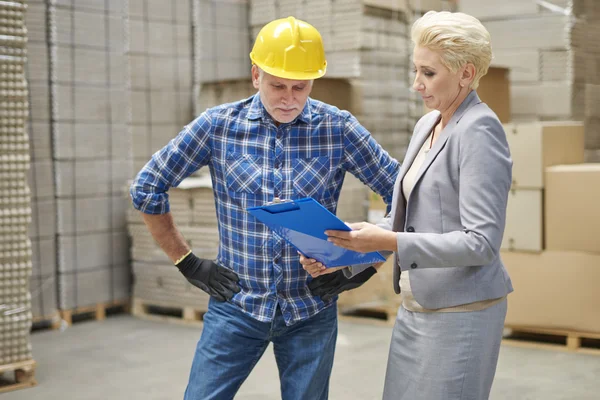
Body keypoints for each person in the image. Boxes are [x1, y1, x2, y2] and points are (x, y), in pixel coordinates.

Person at [130, 16, 400, 400]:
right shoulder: (218, 126)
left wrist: (364, 266)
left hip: (311, 310)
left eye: (300, 87)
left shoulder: (337, 128)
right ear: (256, 75)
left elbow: (405, 193)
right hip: (237, 307)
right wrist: (186, 261)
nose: (289, 98)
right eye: (277, 85)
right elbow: (147, 187)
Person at [302, 11, 513, 400]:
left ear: (466, 74)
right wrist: (341, 249)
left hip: (461, 313)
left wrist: (391, 241)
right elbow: (406, 220)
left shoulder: (480, 130)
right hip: (416, 307)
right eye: (415, 70)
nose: (416, 84)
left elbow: (481, 243)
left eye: (428, 73)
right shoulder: (427, 125)